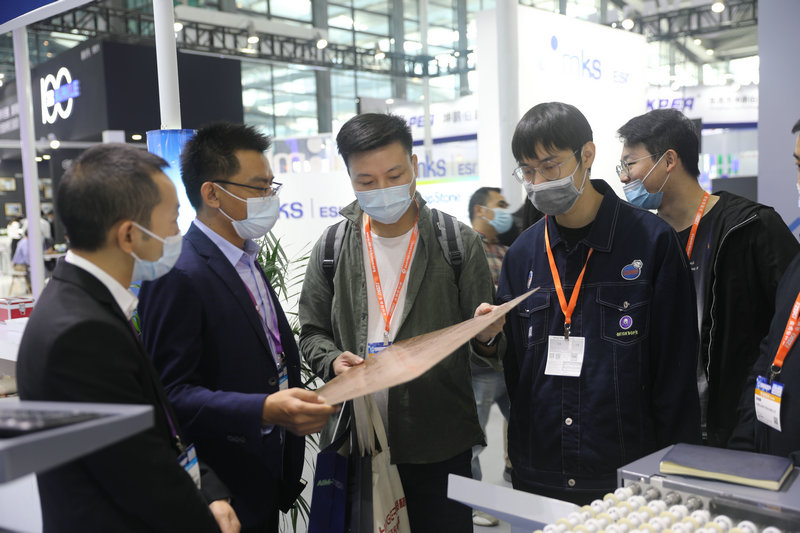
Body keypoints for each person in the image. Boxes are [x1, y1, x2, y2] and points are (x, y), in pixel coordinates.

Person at [15, 144, 240, 532]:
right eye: (172, 219)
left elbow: (153, 428)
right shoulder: (81, 334)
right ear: (129, 234)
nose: (177, 233)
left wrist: (209, 489)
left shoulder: (84, 301)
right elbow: (139, 477)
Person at [298, 113, 504, 532]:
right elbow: (312, 331)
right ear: (350, 179)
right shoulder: (333, 246)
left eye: (394, 176)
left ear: (414, 165)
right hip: (359, 440)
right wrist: (333, 361)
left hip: (438, 440)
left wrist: (486, 337)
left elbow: (486, 348)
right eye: (366, 181)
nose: (382, 189)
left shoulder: (456, 242)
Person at [498, 102, 701, 505]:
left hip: (627, 475)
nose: (538, 182)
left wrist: (673, 476)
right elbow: (516, 370)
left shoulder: (651, 242)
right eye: (528, 171)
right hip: (541, 471)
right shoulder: (522, 255)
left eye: (550, 166)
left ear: (586, 155)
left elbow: (675, 375)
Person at [137, 122, 336, 533]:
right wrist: (262, 409)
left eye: (271, 186)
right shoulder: (178, 272)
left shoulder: (245, 258)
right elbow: (170, 395)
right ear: (212, 194)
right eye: (259, 188)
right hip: (221, 490)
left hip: (265, 473)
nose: (271, 199)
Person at [617, 109, 800, 447]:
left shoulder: (750, 228)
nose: (624, 177)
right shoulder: (642, 242)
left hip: (735, 429)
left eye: (630, 164)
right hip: (664, 428)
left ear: (668, 160)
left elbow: (789, 323)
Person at [728, 118, 800, 464]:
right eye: (799, 165)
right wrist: (744, 444)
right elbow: (770, 350)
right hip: (770, 463)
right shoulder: (797, 263)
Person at [467, 186, 513, 527]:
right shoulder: (466, 250)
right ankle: (473, 503)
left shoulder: (508, 251)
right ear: (481, 211)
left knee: (526, 427)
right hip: (479, 363)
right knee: (474, 439)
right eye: (500, 205)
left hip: (510, 360)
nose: (506, 211)